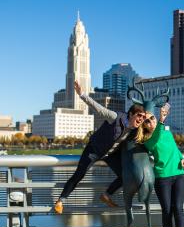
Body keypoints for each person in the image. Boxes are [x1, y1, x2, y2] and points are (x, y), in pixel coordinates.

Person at [54, 80, 146, 214]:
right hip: (94, 149)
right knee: (79, 174)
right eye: (139, 116)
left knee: (125, 175)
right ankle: (60, 200)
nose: (141, 120)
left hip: (110, 154)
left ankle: (106, 195)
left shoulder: (135, 129)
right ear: (131, 114)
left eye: (143, 118)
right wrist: (82, 94)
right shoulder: (115, 117)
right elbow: (98, 107)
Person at [140, 103, 184, 227]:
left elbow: (175, 149)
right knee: (167, 211)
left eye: (152, 118)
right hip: (162, 179)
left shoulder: (167, 133)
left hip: (178, 175)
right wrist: (161, 120)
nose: (150, 121)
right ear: (144, 126)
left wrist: (182, 159)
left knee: (178, 208)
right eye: (146, 121)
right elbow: (156, 136)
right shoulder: (148, 141)